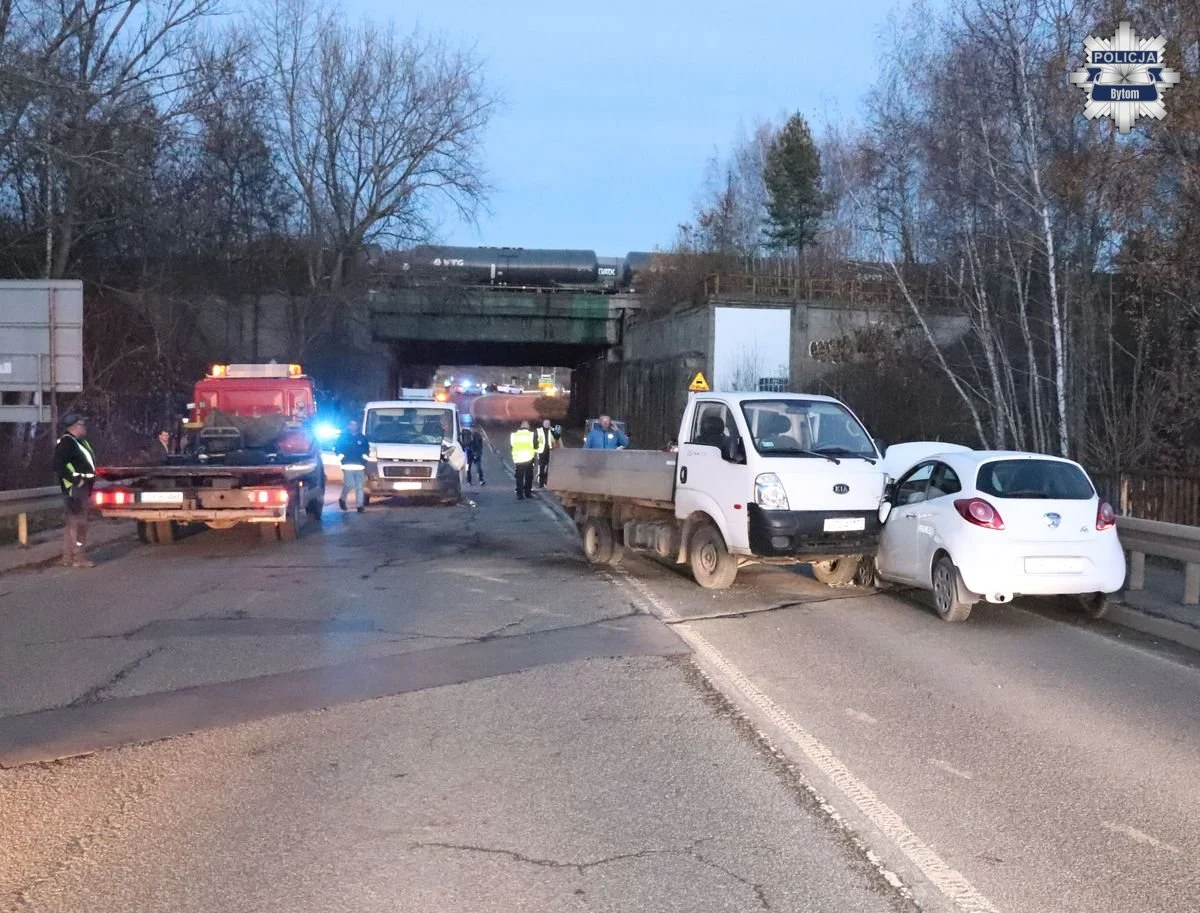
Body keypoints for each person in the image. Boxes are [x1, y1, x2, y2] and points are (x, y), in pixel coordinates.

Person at [53, 412, 98, 568]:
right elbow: (59, 465)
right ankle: (78, 558)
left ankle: (68, 557)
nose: (84, 427)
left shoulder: (78, 442)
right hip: (75, 489)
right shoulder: (67, 443)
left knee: (72, 523)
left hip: (81, 488)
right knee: (79, 524)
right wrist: (76, 480)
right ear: (75, 427)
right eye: (82, 425)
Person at [336, 420, 369, 512]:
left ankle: (360, 505)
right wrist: (341, 456)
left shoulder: (362, 438)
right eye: (351, 424)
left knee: (360, 486)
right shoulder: (343, 437)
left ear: (357, 426)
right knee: (349, 484)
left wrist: (365, 458)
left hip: (360, 465)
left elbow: (366, 449)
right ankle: (342, 499)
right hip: (347, 465)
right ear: (348, 426)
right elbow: (338, 448)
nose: (353, 426)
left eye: (355, 424)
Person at [511, 420, 536, 499]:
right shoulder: (531, 435)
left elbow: (512, 446)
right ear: (528, 426)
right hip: (529, 459)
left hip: (518, 459)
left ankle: (519, 494)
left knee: (519, 478)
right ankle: (528, 493)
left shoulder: (514, 435)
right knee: (528, 477)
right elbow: (536, 446)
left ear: (521, 426)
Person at [533, 419, 562, 488]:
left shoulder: (551, 430)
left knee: (549, 467)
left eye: (548, 423)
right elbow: (534, 439)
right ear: (543, 423)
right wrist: (536, 447)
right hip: (541, 451)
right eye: (545, 423)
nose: (547, 424)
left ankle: (546, 481)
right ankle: (541, 482)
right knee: (542, 467)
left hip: (549, 451)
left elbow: (557, 436)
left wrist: (552, 429)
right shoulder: (539, 430)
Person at [460, 415, 485, 486]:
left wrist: (479, 453)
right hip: (468, 453)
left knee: (478, 468)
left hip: (476, 453)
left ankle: (481, 480)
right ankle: (469, 481)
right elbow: (463, 443)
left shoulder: (477, 435)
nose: (472, 429)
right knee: (468, 467)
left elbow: (480, 445)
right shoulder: (465, 434)